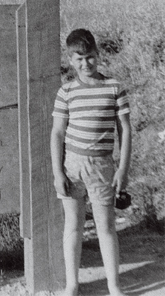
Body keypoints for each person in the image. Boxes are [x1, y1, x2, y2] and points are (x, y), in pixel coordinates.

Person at [51, 29, 131, 296]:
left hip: (103, 166)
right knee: (72, 225)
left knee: (106, 227)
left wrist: (122, 168)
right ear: (71, 59)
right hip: (72, 166)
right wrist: (57, 171)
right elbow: (58, 133)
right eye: (79, 59)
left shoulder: (114, 88)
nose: (86, 64)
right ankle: (72, 285)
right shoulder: (66, 92)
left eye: (91, 57)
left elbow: (125, 130)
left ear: (99, 55)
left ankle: (114, 286)